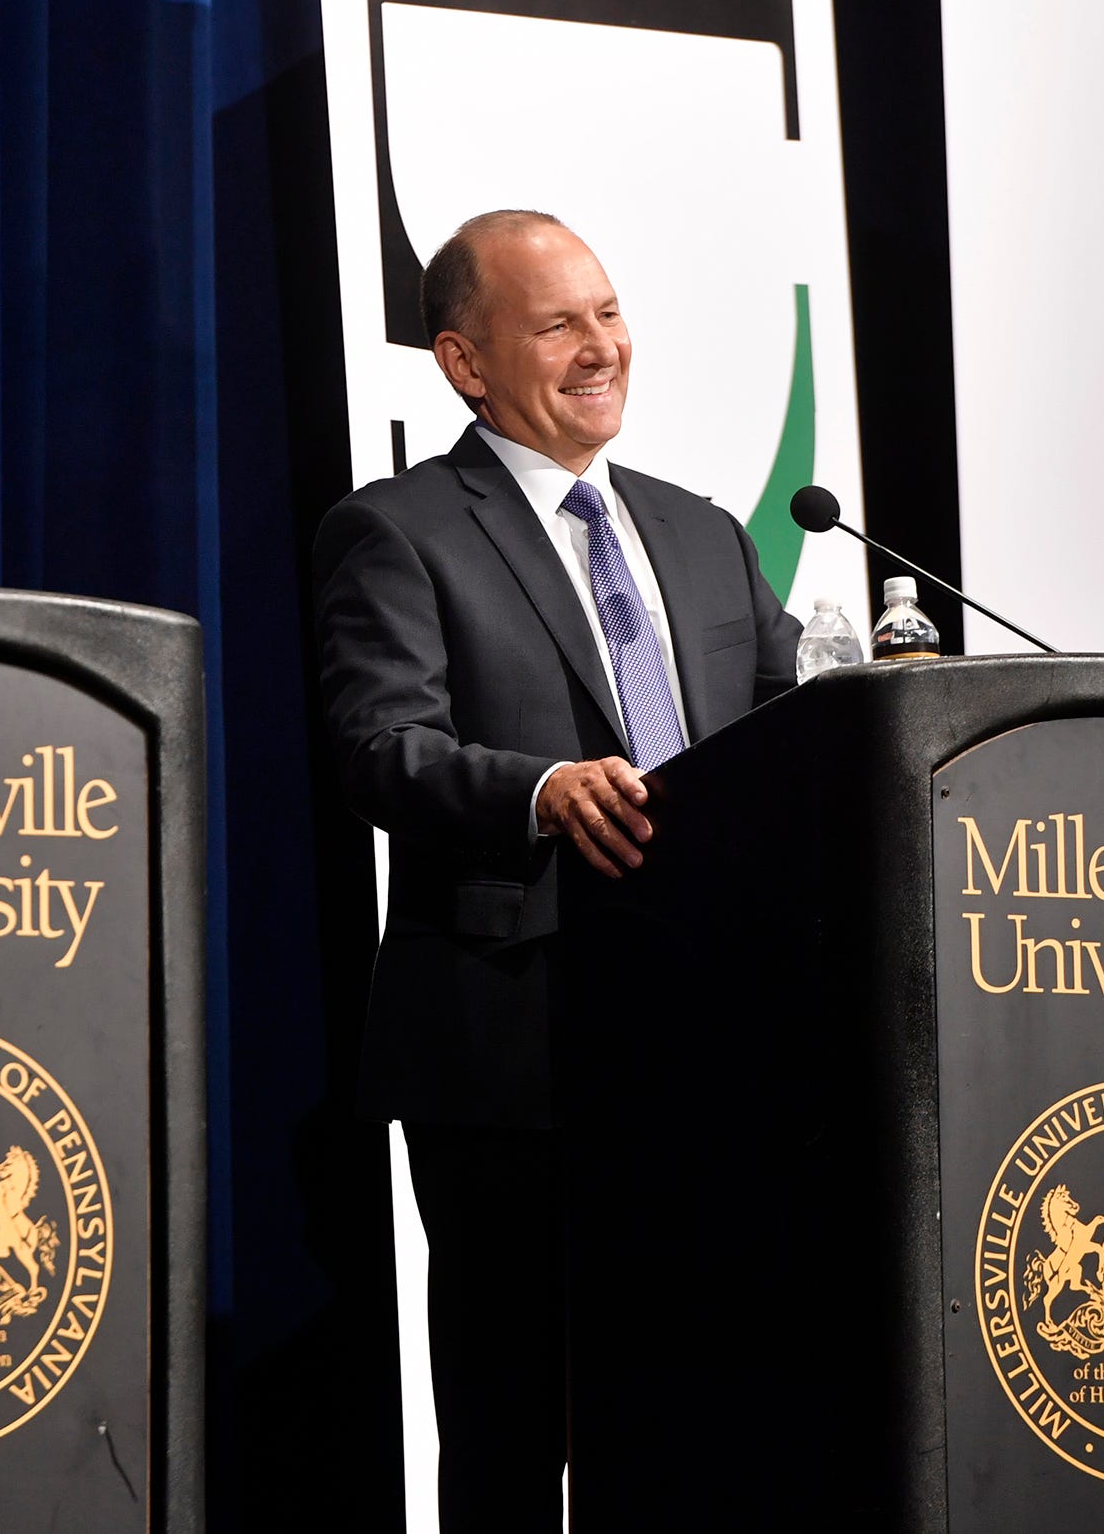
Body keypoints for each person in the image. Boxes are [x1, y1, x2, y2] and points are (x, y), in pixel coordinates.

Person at [312, 210, 800, 1526]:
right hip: (510, 1040)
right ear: (465, 363)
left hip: (710, 1042)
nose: (601, 347)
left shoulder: (704, 534)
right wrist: (540, 790)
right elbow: (378, 748)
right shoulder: (398, 531)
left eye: (609, 312)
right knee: (514, 1421)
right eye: (557, 325)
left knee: (699, 1408)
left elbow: (788, 734)